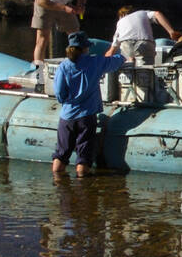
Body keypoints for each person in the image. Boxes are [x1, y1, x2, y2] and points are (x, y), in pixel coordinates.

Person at [52, 30, 126, 176]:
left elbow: (60, 94)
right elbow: (116, 61)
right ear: (85, 48)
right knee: (83, 157)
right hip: (87, 116)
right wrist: (124, 55)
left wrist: (68, 102)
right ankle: (82, 189)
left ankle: (58, 184)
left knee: (61, 153)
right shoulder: (95, 62)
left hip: (67, 117)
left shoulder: (63, 66)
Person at [32, 0, 92, 66]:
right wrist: (64, 8)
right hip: (45, 3)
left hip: (65, 3)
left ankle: (80, 65)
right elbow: (41, 0)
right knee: (42, 38)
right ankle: (38, 73)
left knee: (76, 35)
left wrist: (81, 5)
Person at [105, 5, 179, 63]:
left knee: (128, 63)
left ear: (121, 15)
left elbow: (111, 50)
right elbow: (157, 14)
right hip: (144, 43)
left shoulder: (120, 22)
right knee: (145, 70)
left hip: (126, 44)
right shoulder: (142, 13)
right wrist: (171, 31)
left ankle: (130, 63)